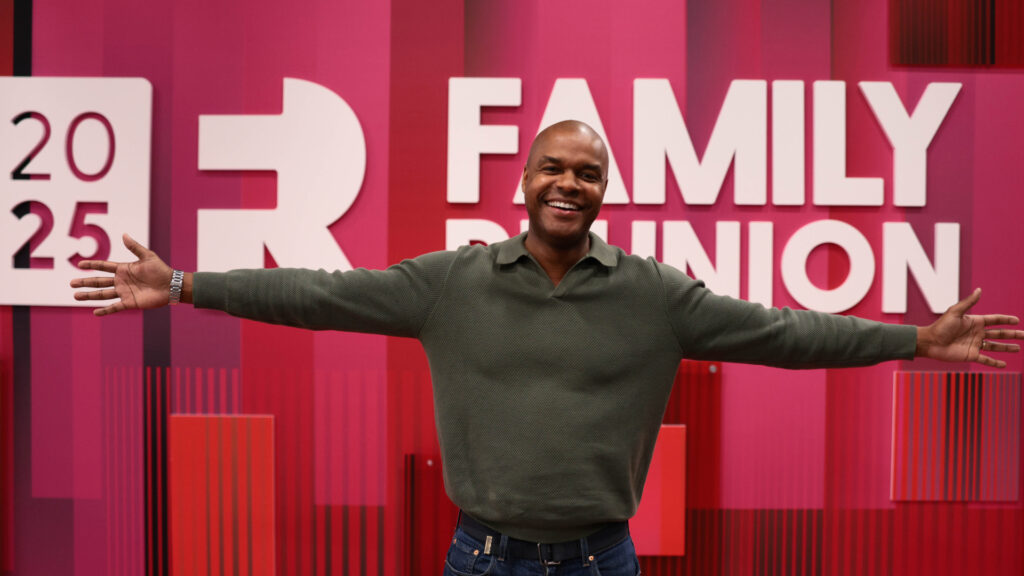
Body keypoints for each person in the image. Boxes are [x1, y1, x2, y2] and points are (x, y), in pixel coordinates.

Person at [72, 120, 1022, 576]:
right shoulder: (449, 283)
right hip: (479, 558)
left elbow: (786, 333)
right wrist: (185, 284)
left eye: (589, 174)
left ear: (605, 192)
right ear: (525, 180)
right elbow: (318, 293)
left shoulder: (657, 295)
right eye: (555, 168)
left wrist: (914, 340)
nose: (570, 183)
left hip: (603, 561)